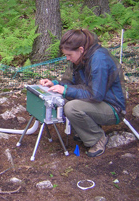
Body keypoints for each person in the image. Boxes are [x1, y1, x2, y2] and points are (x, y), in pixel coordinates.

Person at [40, 29, 126, 157]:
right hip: (97, 102)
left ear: (80, 49)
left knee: (72, 107)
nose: (67, 58)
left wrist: (66, 90)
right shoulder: (82, 57)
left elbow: (95, 95)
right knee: (61, 100)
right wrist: (55, 84)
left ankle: (97, 139)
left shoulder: (99, 60)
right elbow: (73, 83)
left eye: (69, 55)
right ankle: (84, 130)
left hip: (112, 107)